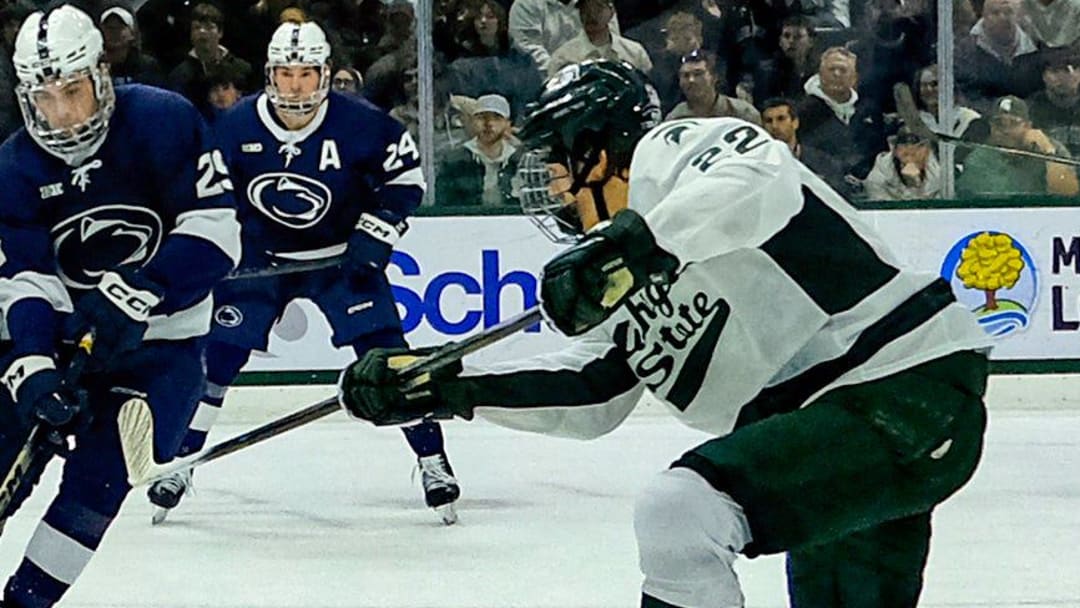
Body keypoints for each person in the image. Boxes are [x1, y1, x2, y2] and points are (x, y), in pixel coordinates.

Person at [338, 60, 994, 608]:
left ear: (597, 145)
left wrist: (635, 244)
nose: (552, 186)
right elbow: (589, 387)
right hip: (853, 433)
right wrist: (443, 383)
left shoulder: (673, 156)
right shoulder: (619, 271)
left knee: (681, 512)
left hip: (900, 389)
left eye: (559, 162)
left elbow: (756, 177)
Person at [146, 21, 463, 526]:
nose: (296, 86)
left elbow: (406, 180)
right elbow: (208, 192)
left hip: (340, 260)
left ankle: (431, 459)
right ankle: (180, 462)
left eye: (307, 73)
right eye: (287, 74)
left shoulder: (362, 123)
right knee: (217, 360)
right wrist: (231, 245)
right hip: (261, 264)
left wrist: (375, 232)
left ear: (326, 74)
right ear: (270, 74)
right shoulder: (235, 125)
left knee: (388, 359)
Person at [0, 5, 241, 607]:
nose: (61, 114)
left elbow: (216, 233)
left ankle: (26, 602)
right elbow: (26, 277)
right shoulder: (14, 163)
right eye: (44, 97)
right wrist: (33, 363)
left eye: (73, 91)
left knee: (101, 476)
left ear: (101, 73)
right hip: (65, 335)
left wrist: (141, 289)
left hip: (164, 341)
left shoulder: (162, 119)